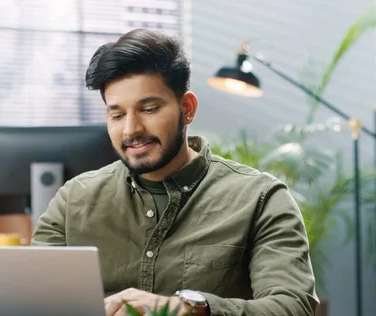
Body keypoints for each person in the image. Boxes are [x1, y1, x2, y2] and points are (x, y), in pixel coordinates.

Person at [31, 28, 319, 316]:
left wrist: (187, 309)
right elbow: (28, 298)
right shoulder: (74, 201)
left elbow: (292, 307)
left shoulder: (260, 199)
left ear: (188, 109)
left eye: (149, 109)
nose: (131, 129)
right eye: (117, 115)